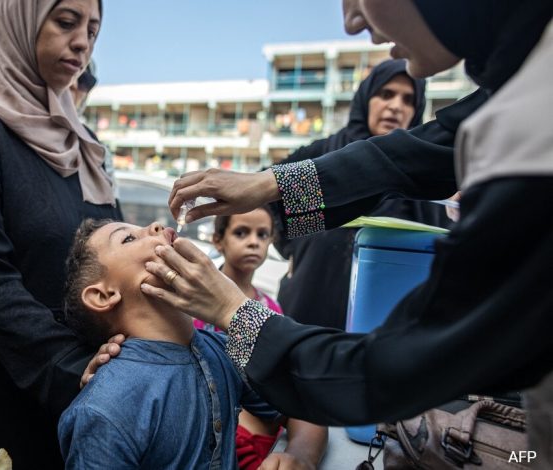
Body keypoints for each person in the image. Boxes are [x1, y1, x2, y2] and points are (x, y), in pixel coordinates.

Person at [144, 0, 553, 466]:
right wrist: (268, 183)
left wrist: (229, 310)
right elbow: (414, 154)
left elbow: (392, 368)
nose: (352, 22)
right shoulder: (521, 84)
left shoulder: (532, 127)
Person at [0, 0, 121, 467]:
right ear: (20, 23)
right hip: (9, 386)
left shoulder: (81, 142)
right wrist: (73, 368)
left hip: (97, 386)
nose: (82, 41)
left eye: (93, 29)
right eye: (66, 21)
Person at [58, 219, 326, 470]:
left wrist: (301, 456)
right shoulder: (104, 409)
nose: (155, 226)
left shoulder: (220, 350)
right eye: (128, 238)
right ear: (104, 295)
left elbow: (307, 405)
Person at [274, 59, 450, 328]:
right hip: (307, 312)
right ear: (366, 97)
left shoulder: (424, 176)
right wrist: (294, 248)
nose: (395, 106)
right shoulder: (323, 156)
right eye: (386, 94)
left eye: (408, 99)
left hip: (381, 329)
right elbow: (272, 202)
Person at [205, 208, 325, 470]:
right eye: (241, 232)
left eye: (262, 234)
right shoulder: (198, 301)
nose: (253, 242)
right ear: (218, 240)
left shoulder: (270, 307)